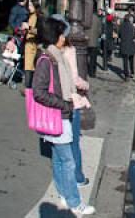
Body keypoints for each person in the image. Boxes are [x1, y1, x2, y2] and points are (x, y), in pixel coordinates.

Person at [33, 16, 95, 216]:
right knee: (67, 161)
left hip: (59, 113)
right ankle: (74, 202)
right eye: (61, 34)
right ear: (55, 36)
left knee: (60, 159)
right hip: (58, 114)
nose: (64, 37)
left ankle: (63, 194)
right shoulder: (47, 59)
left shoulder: (55, 56)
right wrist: (65, 105)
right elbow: (39, 92)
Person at [59, 14, 91, 187]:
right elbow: (74, 78)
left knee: (59, 144)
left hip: (54, 101)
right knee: (73, 142)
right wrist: (85, 85)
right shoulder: (69, 50)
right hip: (70, 100)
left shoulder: (48, 50)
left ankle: (62, 179)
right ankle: (78, 177)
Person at [24, 2, 41, 89]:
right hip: (28, 43)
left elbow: (38, 31)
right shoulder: (30, 16)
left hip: (33, 44)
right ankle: (28, 86)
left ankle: (28, 86)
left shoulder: (38, 17)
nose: (29, 7)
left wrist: (28, 28)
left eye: (31, 5)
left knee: (30, 65)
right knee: (29, 65)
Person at [118, 13, 135, 80]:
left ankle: (126, 75)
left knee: (125, 61)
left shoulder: (121, 26)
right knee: (131, 60)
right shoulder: (132, 26)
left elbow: (119, 35)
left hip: (124, 46)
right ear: (130, 19)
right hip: (131, 46)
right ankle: (132, 72)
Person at [85, 12, 102, 78]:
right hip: (94, 42)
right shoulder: (98, 19)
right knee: (93, 58)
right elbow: (100, 31)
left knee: (85, 57)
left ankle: (85, 70)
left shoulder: (86, 18)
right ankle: (92, 72)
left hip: (86, 40)